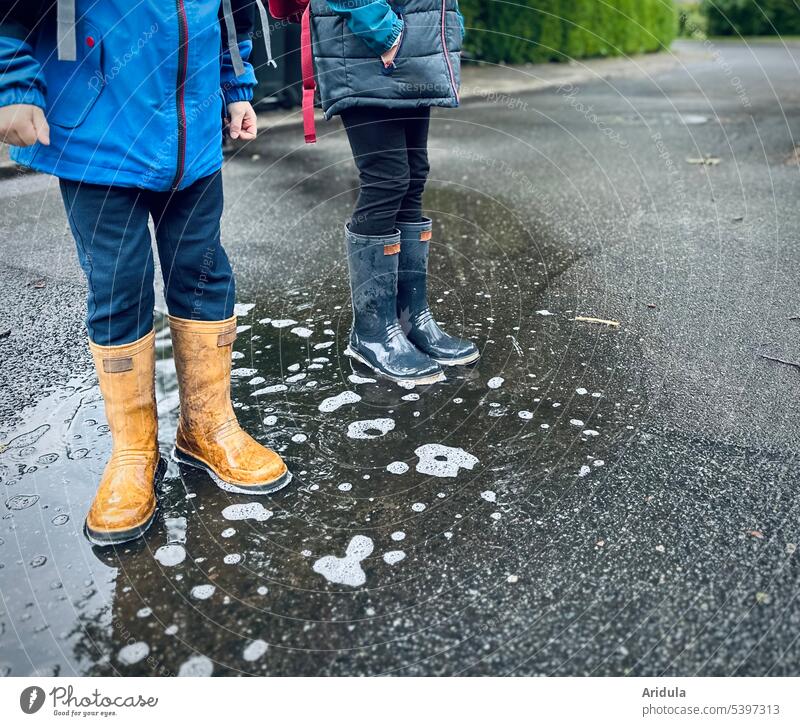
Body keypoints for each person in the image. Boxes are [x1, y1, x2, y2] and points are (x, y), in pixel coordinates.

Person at [0, 0, 291, 546]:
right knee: (119, 284)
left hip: (195, 132)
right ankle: (134, 452)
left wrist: (236, 87)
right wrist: (12, 84)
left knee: (204, 273)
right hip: (96, 132)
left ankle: (208, 426)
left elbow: (234, 13)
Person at [309, 0, 480, 385]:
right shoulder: (382, 36)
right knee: (386, 179)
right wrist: (384, 31)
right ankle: (372, 333)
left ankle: (409, 320)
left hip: (410, 46)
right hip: (370, 46)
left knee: (412, 175)